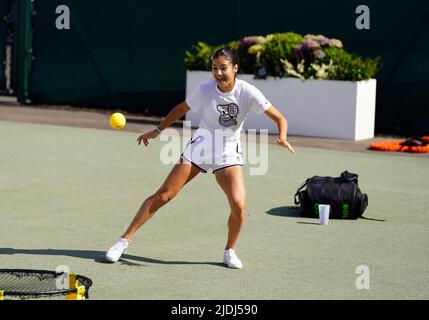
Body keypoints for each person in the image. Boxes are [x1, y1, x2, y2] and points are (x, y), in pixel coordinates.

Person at [105, 46, 295, 269]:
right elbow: (180, 109)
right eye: (214, 68)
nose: (218, 73)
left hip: (228, 153)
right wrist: (157, 130)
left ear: (235, 68)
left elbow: (279, 117)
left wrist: (282, 136)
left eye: (223, 68)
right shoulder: (205, 90)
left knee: (239, 206)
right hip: (201, 147)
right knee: (164, 195)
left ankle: (229, 251)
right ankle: (123, 241)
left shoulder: (248, 92)